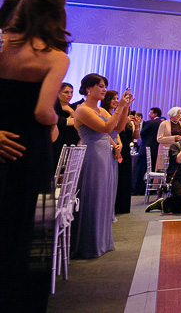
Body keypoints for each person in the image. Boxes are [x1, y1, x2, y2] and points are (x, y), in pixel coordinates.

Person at [0, 0, 69, 312]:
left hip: (4, 141)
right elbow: (43, 111)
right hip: (33, 148)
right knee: (38, 224)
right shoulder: (55, 57)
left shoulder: (4, 48)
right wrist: (57, 118)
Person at [72, 75, 133, 259]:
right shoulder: (82, 110)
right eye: (100, 86)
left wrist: (125, 107)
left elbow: (118, 129)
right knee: (93, 196)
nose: (104, 89)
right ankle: (88, 245)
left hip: (105, 156)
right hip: (92, 155)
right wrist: (120, 107)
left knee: (104, 197)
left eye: (105, 86)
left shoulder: (101, 110)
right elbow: (106, 128)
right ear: (88, 88)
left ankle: (101, 242)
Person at [145, 123, 181, 214]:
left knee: (180, 209)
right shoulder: (175, 146)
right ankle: (164, 203)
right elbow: (178, 160)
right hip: (174, 176)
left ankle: (163, 204)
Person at [134, 107, 161, 194]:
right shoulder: (162, 123)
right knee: (152, 169)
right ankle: (149, 189)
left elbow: (142, 133)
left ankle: (139, 190)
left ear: (155, 114)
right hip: (156, 150)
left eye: (151, 113)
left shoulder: (150, 122)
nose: (149, 114)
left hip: (146, 148)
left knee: (142, 170)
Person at [54, 82, 80, 169]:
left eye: (71, 92)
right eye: (66, 92)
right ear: (58, 92)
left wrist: (72, 112)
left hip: (71, 143)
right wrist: (67, 121)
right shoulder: (53, 107)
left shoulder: (73, 107)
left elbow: (79, 124)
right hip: (56, 143)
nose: (70, 95)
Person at [156, 107, 181, 171]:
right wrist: (173, 138)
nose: (179, 115)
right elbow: (159, 139)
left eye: (180, 113)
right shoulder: (164, 124)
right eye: (177, 113)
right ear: (172, 114)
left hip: (178, 151)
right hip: (166, 150)